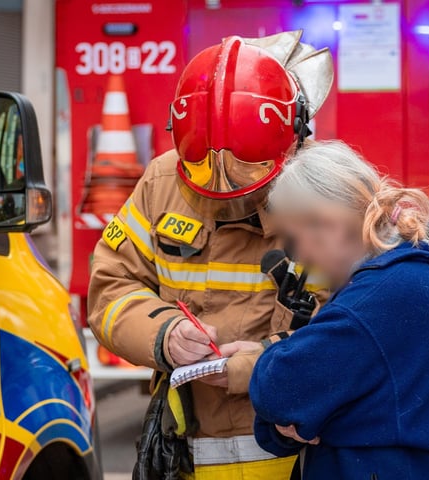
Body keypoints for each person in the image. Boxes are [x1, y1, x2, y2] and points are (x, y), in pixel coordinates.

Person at [87, 31, 333, 479]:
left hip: (296, 456)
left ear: (292, 142)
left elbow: (352, 329)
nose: (224, 194)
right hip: (183, 450)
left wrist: (254, 366)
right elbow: (111, 289)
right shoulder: (161, 183)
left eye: (247, 179)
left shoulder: (327, 195)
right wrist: (164, 333)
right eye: (205, 176)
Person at [249, 141, 429, 480]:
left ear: (327, 224)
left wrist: (291, 400)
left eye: (295, 238)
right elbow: (290, 415)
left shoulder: (375, 298)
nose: (299, 256)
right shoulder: (405, 270)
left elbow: (277, 389)